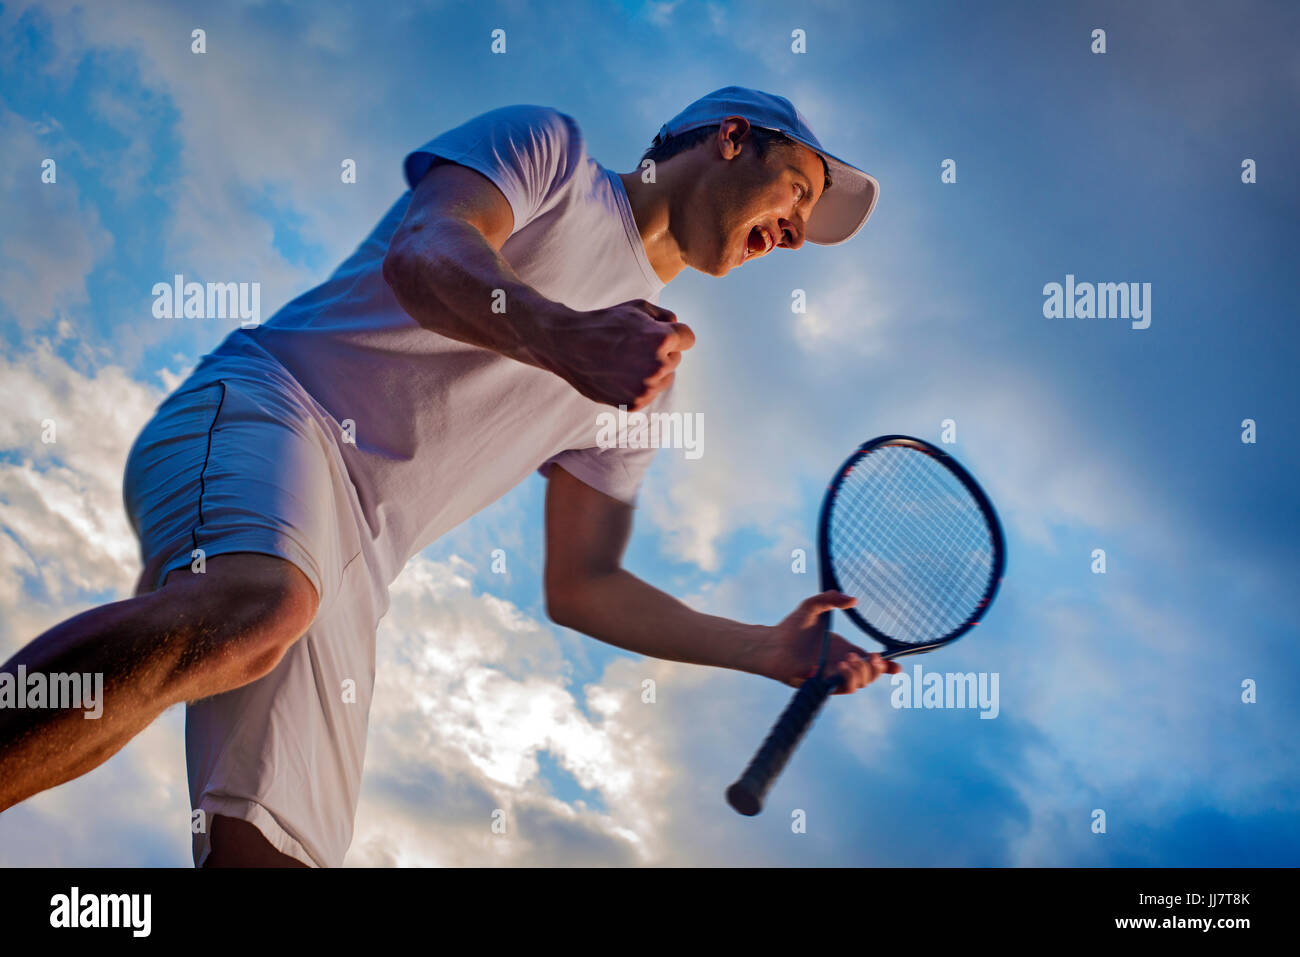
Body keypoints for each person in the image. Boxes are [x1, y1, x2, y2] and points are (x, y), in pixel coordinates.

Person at [0, 87, 893, 866]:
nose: (799, 233)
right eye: (801, 192)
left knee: (270, 853)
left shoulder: (644, 372)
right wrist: (564, 335)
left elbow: (583, 587)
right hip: (271, 408)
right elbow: (426, 248)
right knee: (260, 608)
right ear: (731, 138)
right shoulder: (552, 153)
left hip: (353, 568)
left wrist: (758, 648)